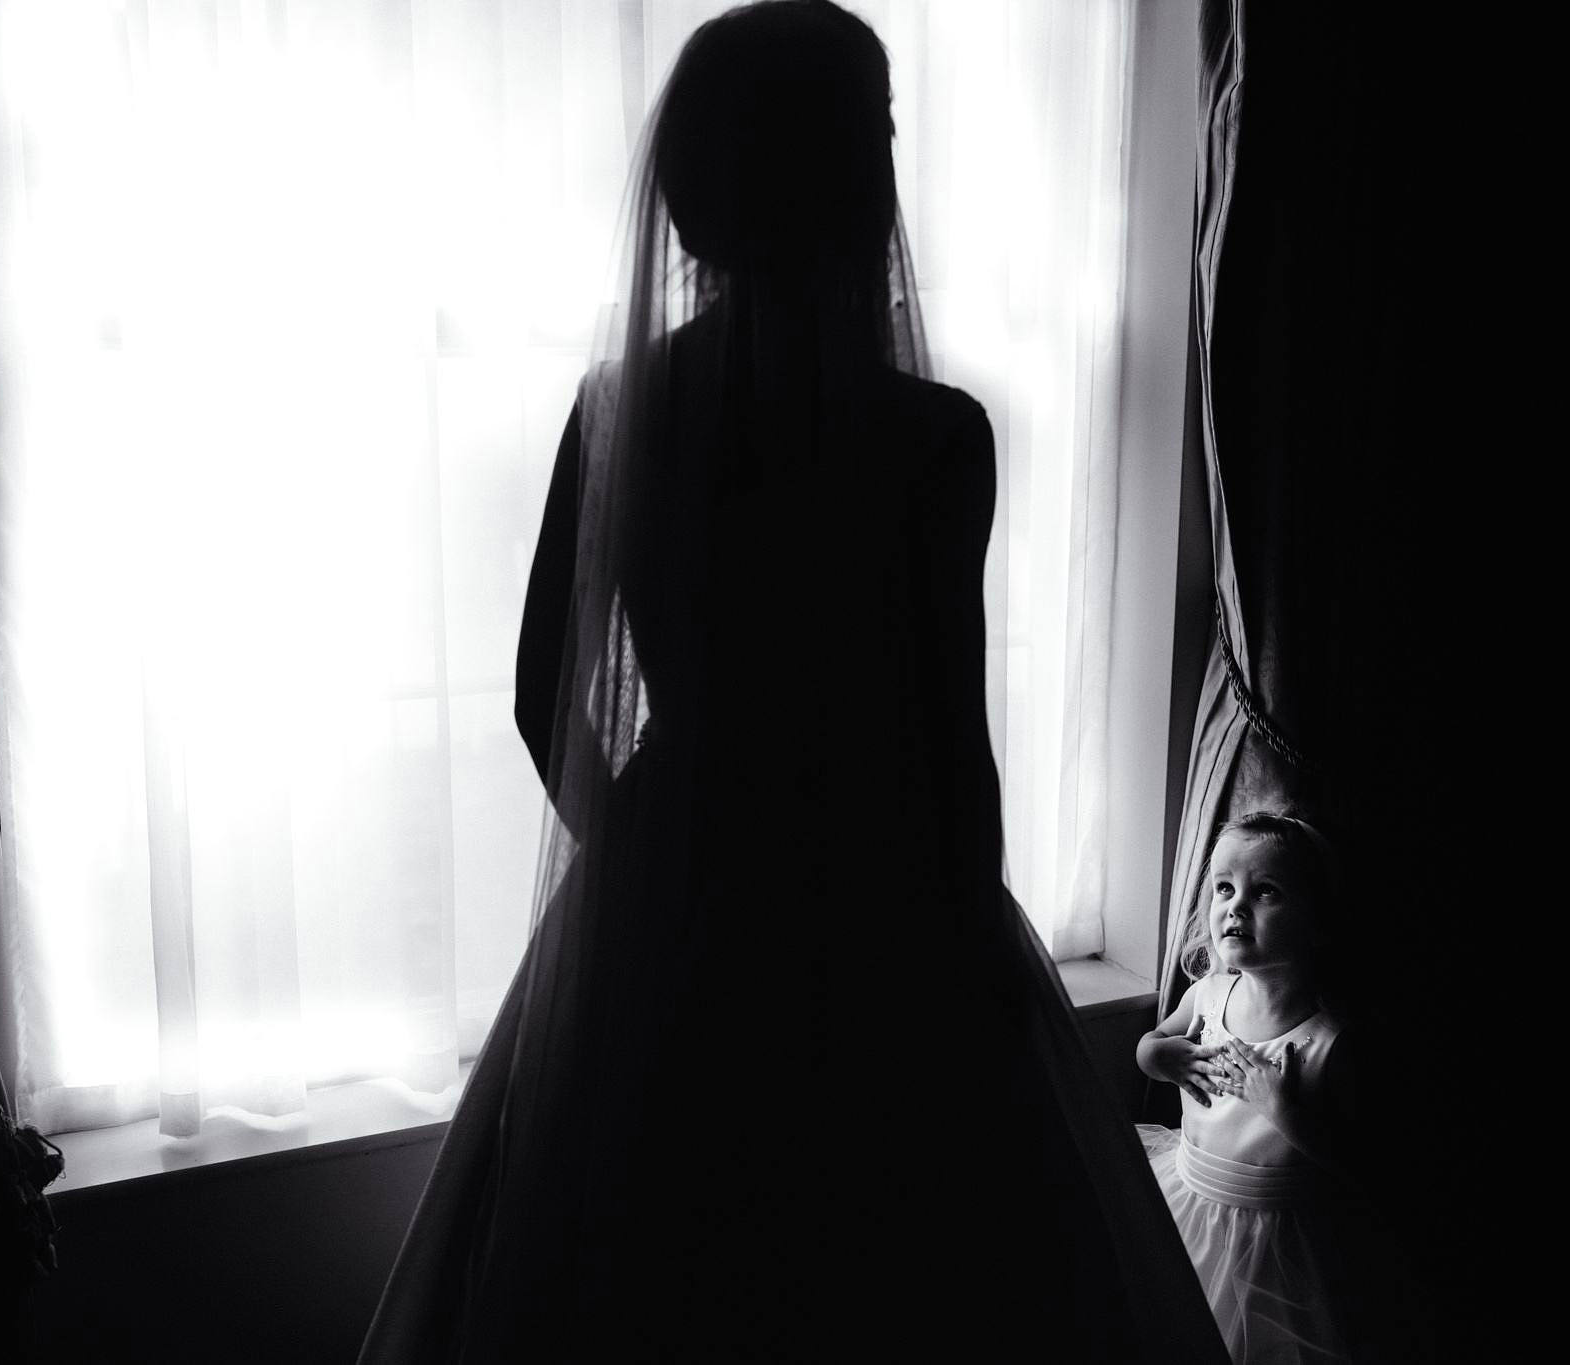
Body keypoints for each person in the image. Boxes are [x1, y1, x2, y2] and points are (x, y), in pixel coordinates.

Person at [359, 3, 1227, 1359]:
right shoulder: (934, 438)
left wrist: (654, 858)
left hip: (674, 893)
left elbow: (544, 694)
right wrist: (967, 973)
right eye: (879, 134)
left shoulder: (623, 406)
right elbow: (952, 740)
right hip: (885, 898)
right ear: (849, 183)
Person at [1136, 811, 1378, 1364]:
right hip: (1191, 1200)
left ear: (1317, 921)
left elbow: (1357, 1163)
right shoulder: (1209, 995)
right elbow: (1152, 1045)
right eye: (1224, 888)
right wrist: (1155, 1055)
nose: (1235, 906)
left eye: (1265, 891)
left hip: (1278, 1242)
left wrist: (1280, 1107)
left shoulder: (1329, 1042)